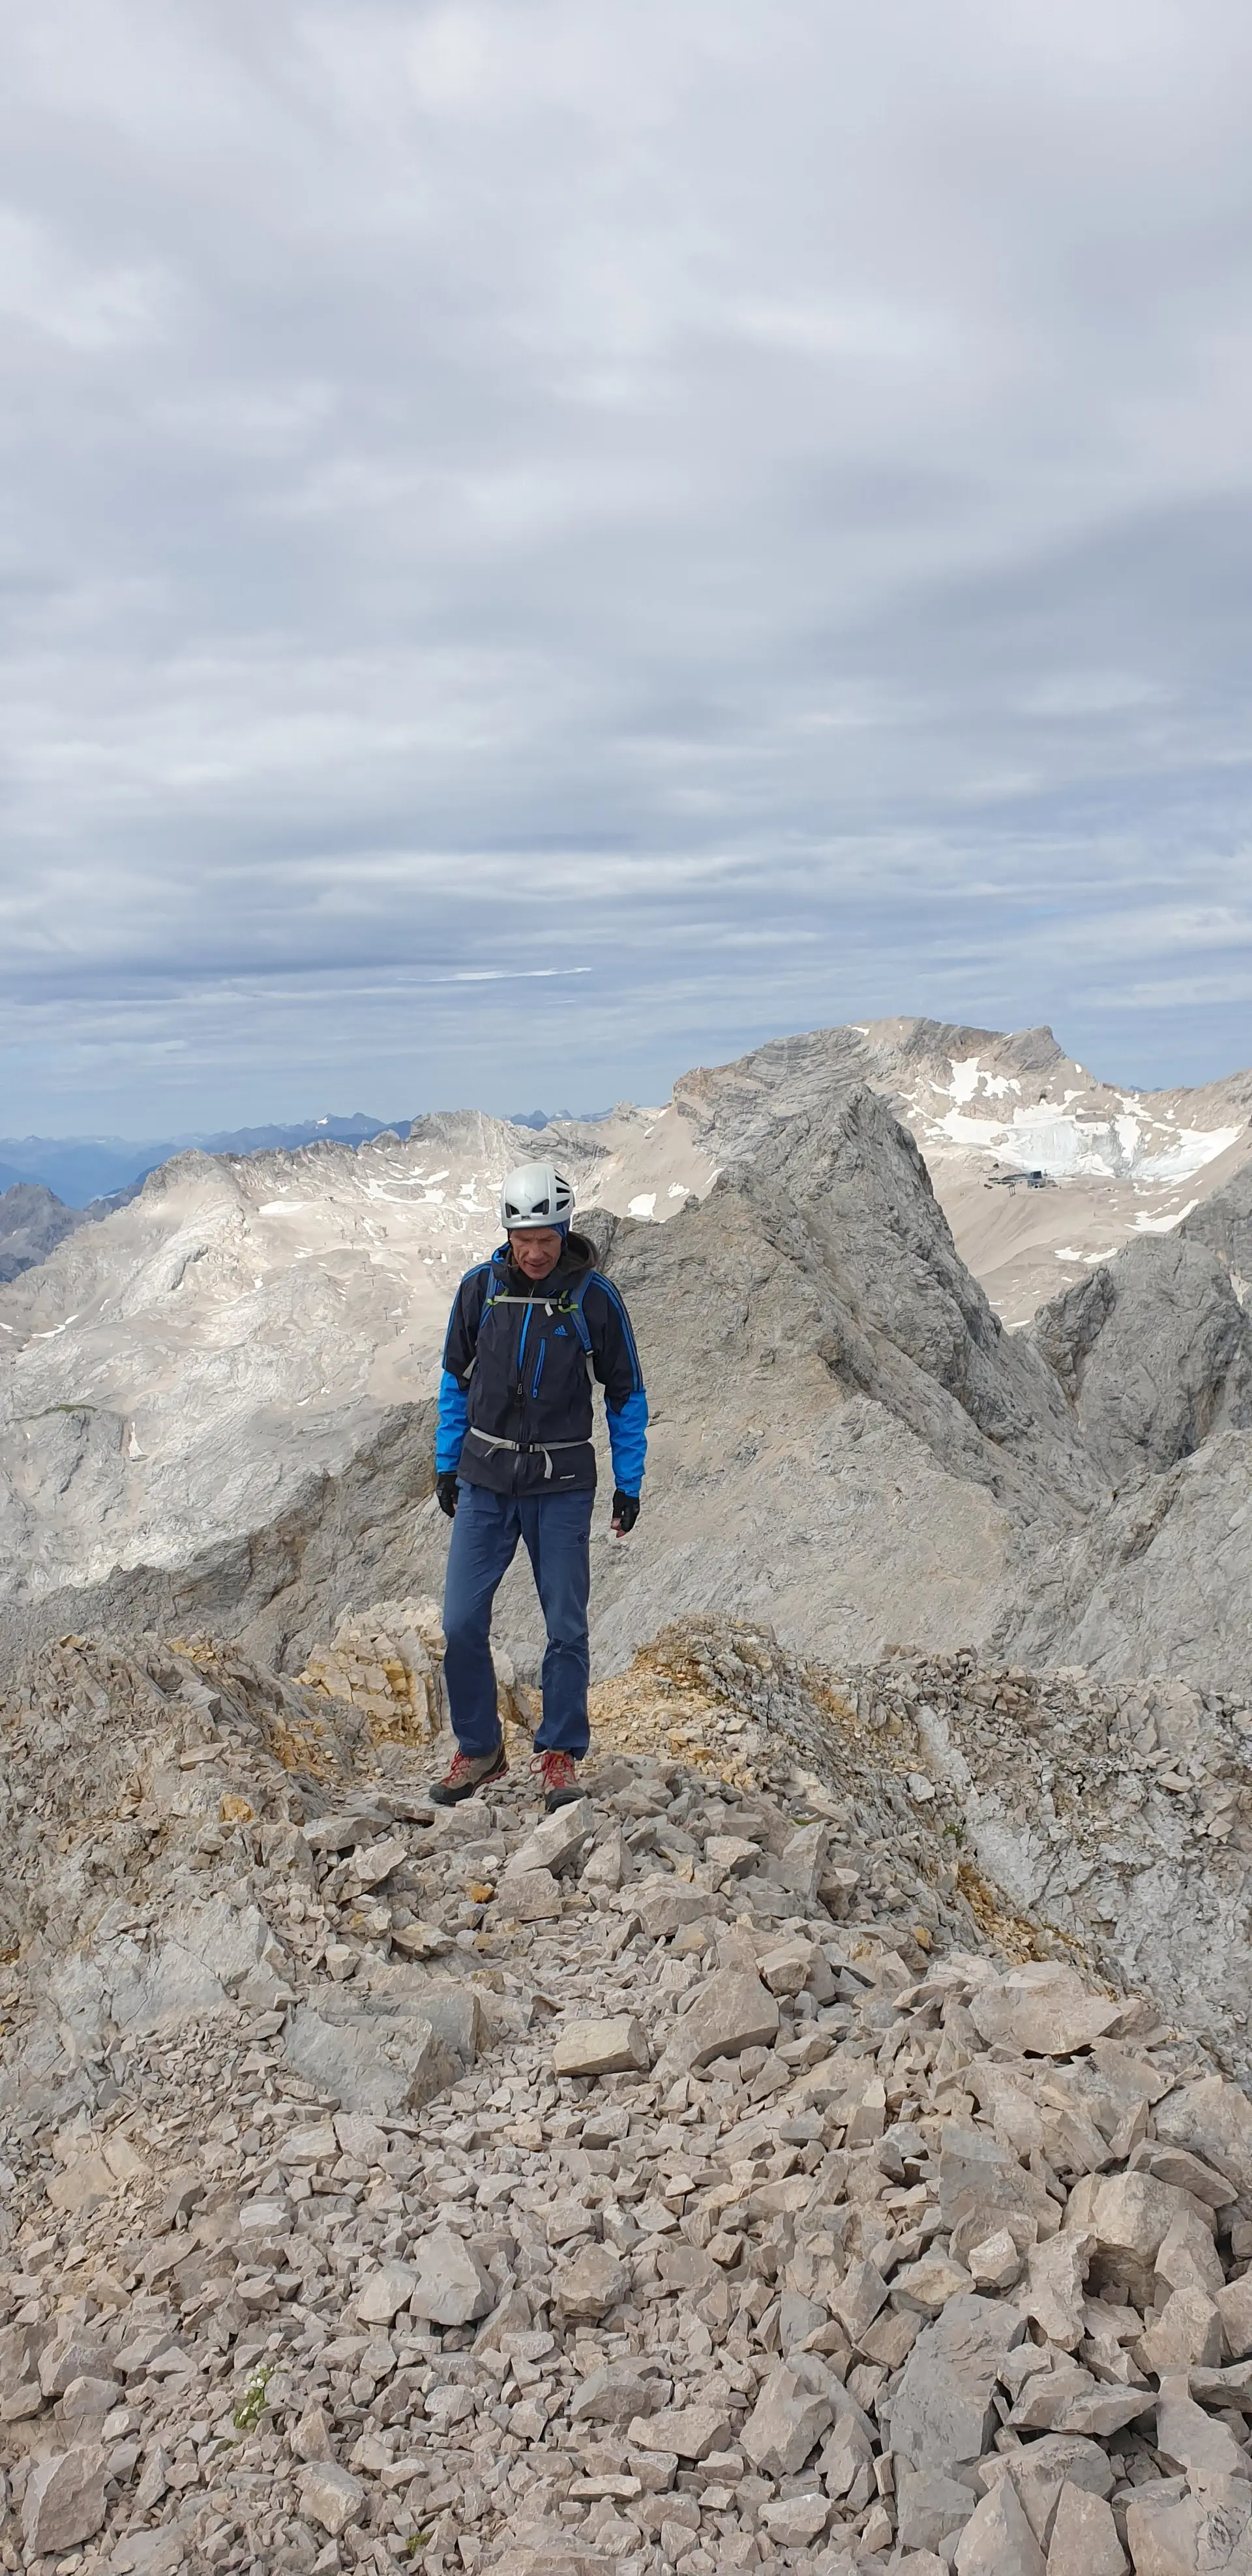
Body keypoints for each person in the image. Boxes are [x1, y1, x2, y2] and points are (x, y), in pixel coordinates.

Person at [429, 1161, 648, 1811]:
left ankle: (559, 1754)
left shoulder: (593, 1297)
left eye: (545, 1239)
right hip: (486, 1480)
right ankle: (479, 1749)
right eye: (523, 1239)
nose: (533, 1251)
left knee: (566, 1626)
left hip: (561, 1485)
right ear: (507, 1232)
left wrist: (627, 1483)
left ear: (563, 1230)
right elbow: (453, 1382)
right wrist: (446, 1462)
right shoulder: (480, 1290)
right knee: (460, 1621)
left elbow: (626, 1393)